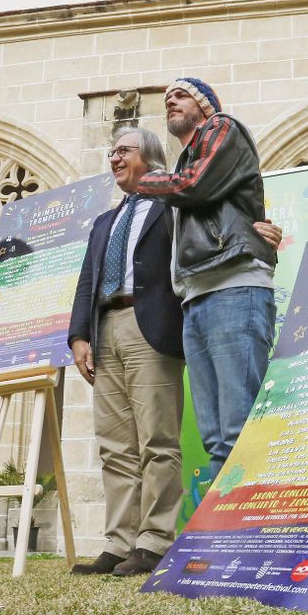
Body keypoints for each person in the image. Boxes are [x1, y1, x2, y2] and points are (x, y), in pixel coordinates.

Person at [135, 78, 277, 478]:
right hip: (197, 296)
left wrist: (144, 179)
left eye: (180, 96)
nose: (170, 103)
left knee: (237, 430)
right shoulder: (185, 163)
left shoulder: (222, 128)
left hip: (233, 287)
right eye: (166, 100)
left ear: (205, 104)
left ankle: (250, 534)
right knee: (216, 437)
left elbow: (195, 185)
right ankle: (223, 533)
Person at [67, 128, 187, 577]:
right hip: (105, 327)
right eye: (111, 151)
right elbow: (86, 283)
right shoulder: (104, 222)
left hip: (149, 326)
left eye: (124, 150)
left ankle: (154, 542)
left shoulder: (171, 207)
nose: (114, 158)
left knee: (158, 441)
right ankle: (119, 543)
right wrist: (79, 336)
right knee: (115, 445)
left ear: (151, 158)